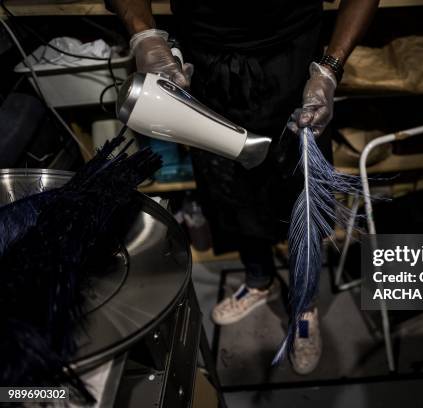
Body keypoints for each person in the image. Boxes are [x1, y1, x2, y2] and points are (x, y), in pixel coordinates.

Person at [108, 0, 378, 374]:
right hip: (207, 64)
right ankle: (258, 280)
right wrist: (143, 33)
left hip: (291, 60)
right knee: (228, 187)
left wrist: (330, 70)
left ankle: (305, 303)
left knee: (304, 192)